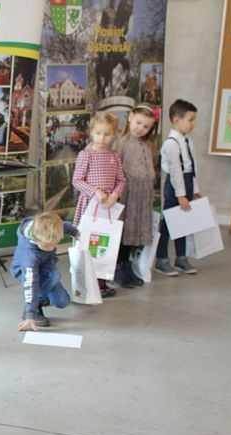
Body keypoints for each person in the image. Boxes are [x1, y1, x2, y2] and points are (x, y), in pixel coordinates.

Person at [71, 111, 127, 298]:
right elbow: (77, 180)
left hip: (108, 208)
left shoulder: (114, 156)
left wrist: (116, 194)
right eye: (98, 133)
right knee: (88, 243)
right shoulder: (86, 155)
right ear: (91, 132)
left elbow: (121, 180)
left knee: (104, 244)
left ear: (114, 134)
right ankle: (87, 283)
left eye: (107, 134)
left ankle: (101, 282)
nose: (102, 138)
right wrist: (95, 191)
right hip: (90, 206)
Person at [155, 99, 201, 277]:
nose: (193, 124)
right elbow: (175, 172)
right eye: (190, 120)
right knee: (168, 224)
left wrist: (195, 190)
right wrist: (180, 195)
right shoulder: (171, 143)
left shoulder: (187, 140)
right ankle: (161, 259)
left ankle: (181, 257)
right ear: (176, 120)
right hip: (175, 186)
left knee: (184, 223)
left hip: (187, 182)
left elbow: (192, 168)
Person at [114, 104, 159, 288]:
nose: (140, 128)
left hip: (141, 197)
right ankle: (118, 267)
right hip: (127, 195)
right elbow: (116, 169)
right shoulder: (122, 143)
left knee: (133, 234)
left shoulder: (148, 146)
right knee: (123, 232)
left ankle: (127, 265)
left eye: (146, 126)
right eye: (138, 123)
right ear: (131, 117)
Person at [10, 212, 79, 331]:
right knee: (54, 275)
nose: (51, 249)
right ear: (35, 238)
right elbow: (30, 284)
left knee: (63, 302)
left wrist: (75, 232)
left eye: (55, 244)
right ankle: (34, 308)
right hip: (25, 272)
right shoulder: (29, 257)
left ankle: (43, 293)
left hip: (45, 267)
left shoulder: (51, 228)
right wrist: (30, 315)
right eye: (47, 246)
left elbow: (64, 226)